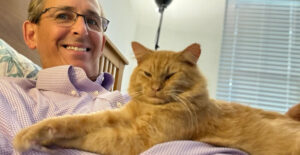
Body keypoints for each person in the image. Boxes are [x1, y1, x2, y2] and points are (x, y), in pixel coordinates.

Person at [0, 0, 248, 154]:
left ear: (101, 42)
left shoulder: (143, 101)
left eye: (93, 21)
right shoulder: (8, 96)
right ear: (31, 33)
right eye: (63, 15)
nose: (81, 29)